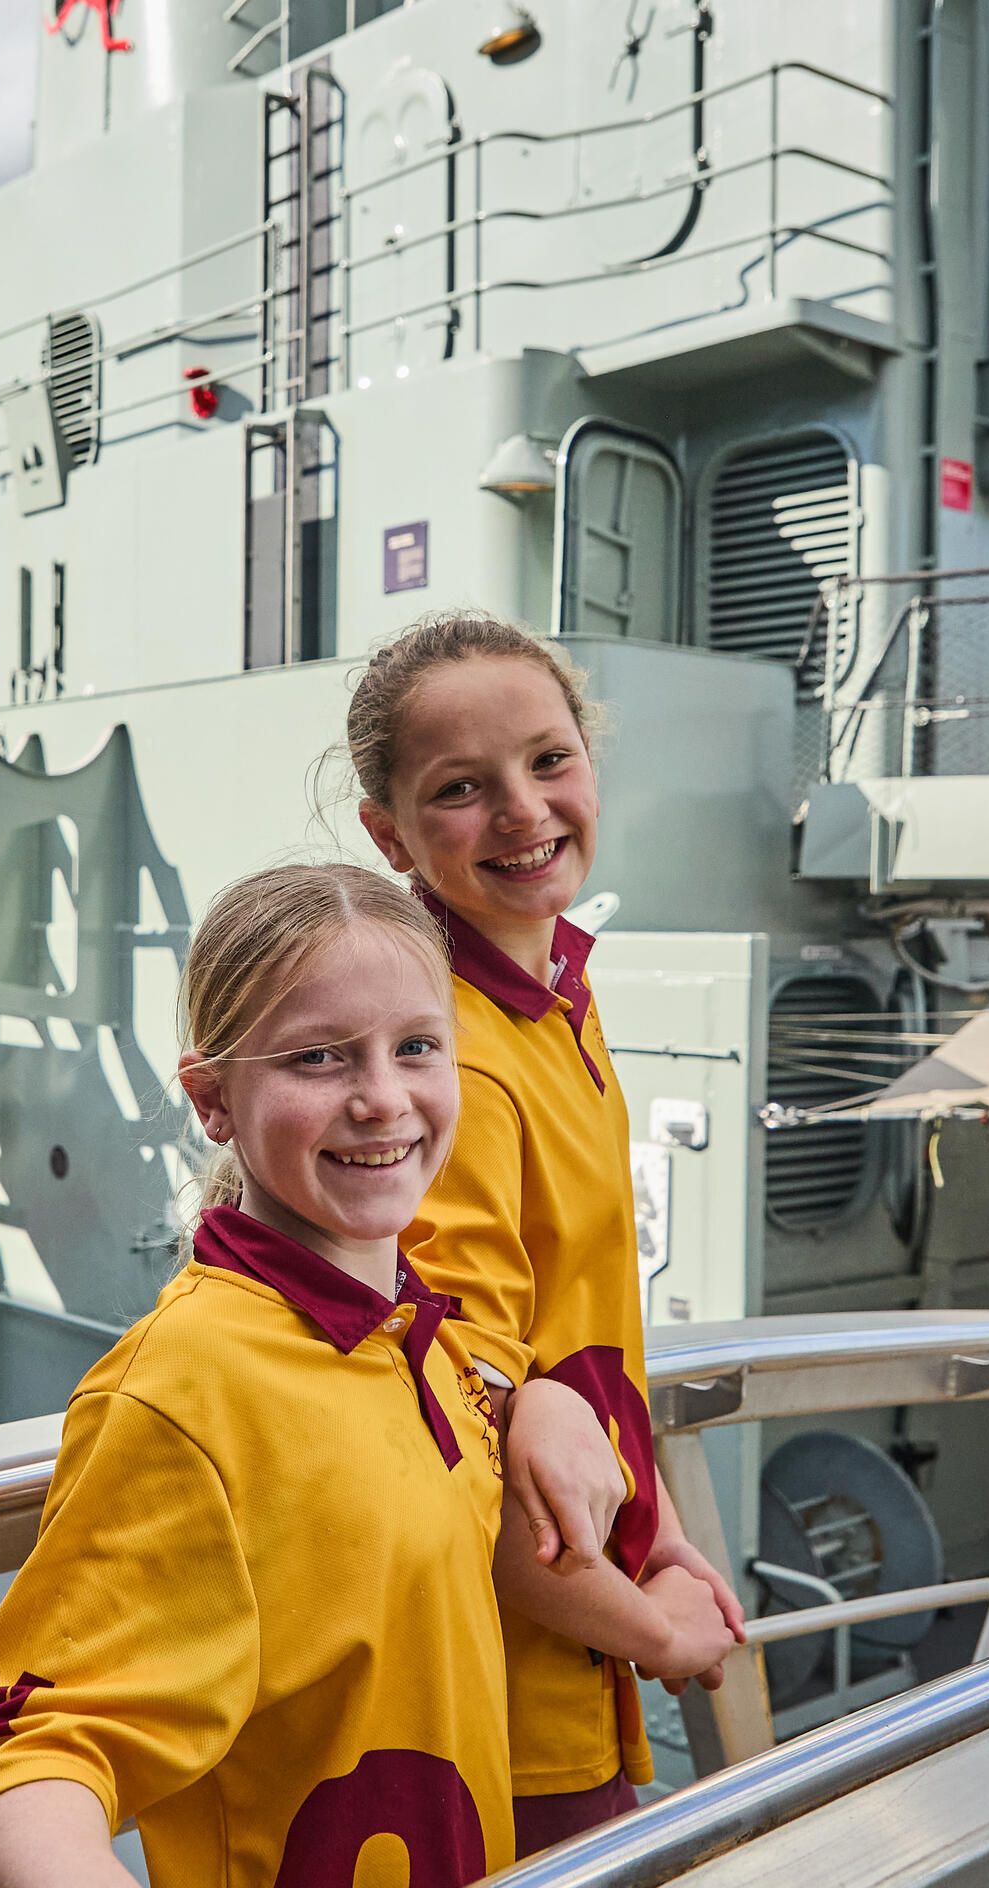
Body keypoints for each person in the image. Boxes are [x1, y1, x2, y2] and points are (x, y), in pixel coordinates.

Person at [0, 864, 518, 1887]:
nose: (382, 1097)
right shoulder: (185, 1386)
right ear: (211, 1099)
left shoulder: (416, 1331)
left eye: (414, 1046)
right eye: (317, 1056)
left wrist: (539, 1401)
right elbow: (26, 1748)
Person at [347, 612, 746, 1855]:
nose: (523, 811)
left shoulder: (554, 999)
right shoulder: (452, 1051)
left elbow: (569, 1352)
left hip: (578, 1626)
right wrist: (662, 1628)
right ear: (387, 832)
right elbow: (460, 1424)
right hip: (495, 1686)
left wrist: (664, 1533)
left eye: (548, 760)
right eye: (459, 789)